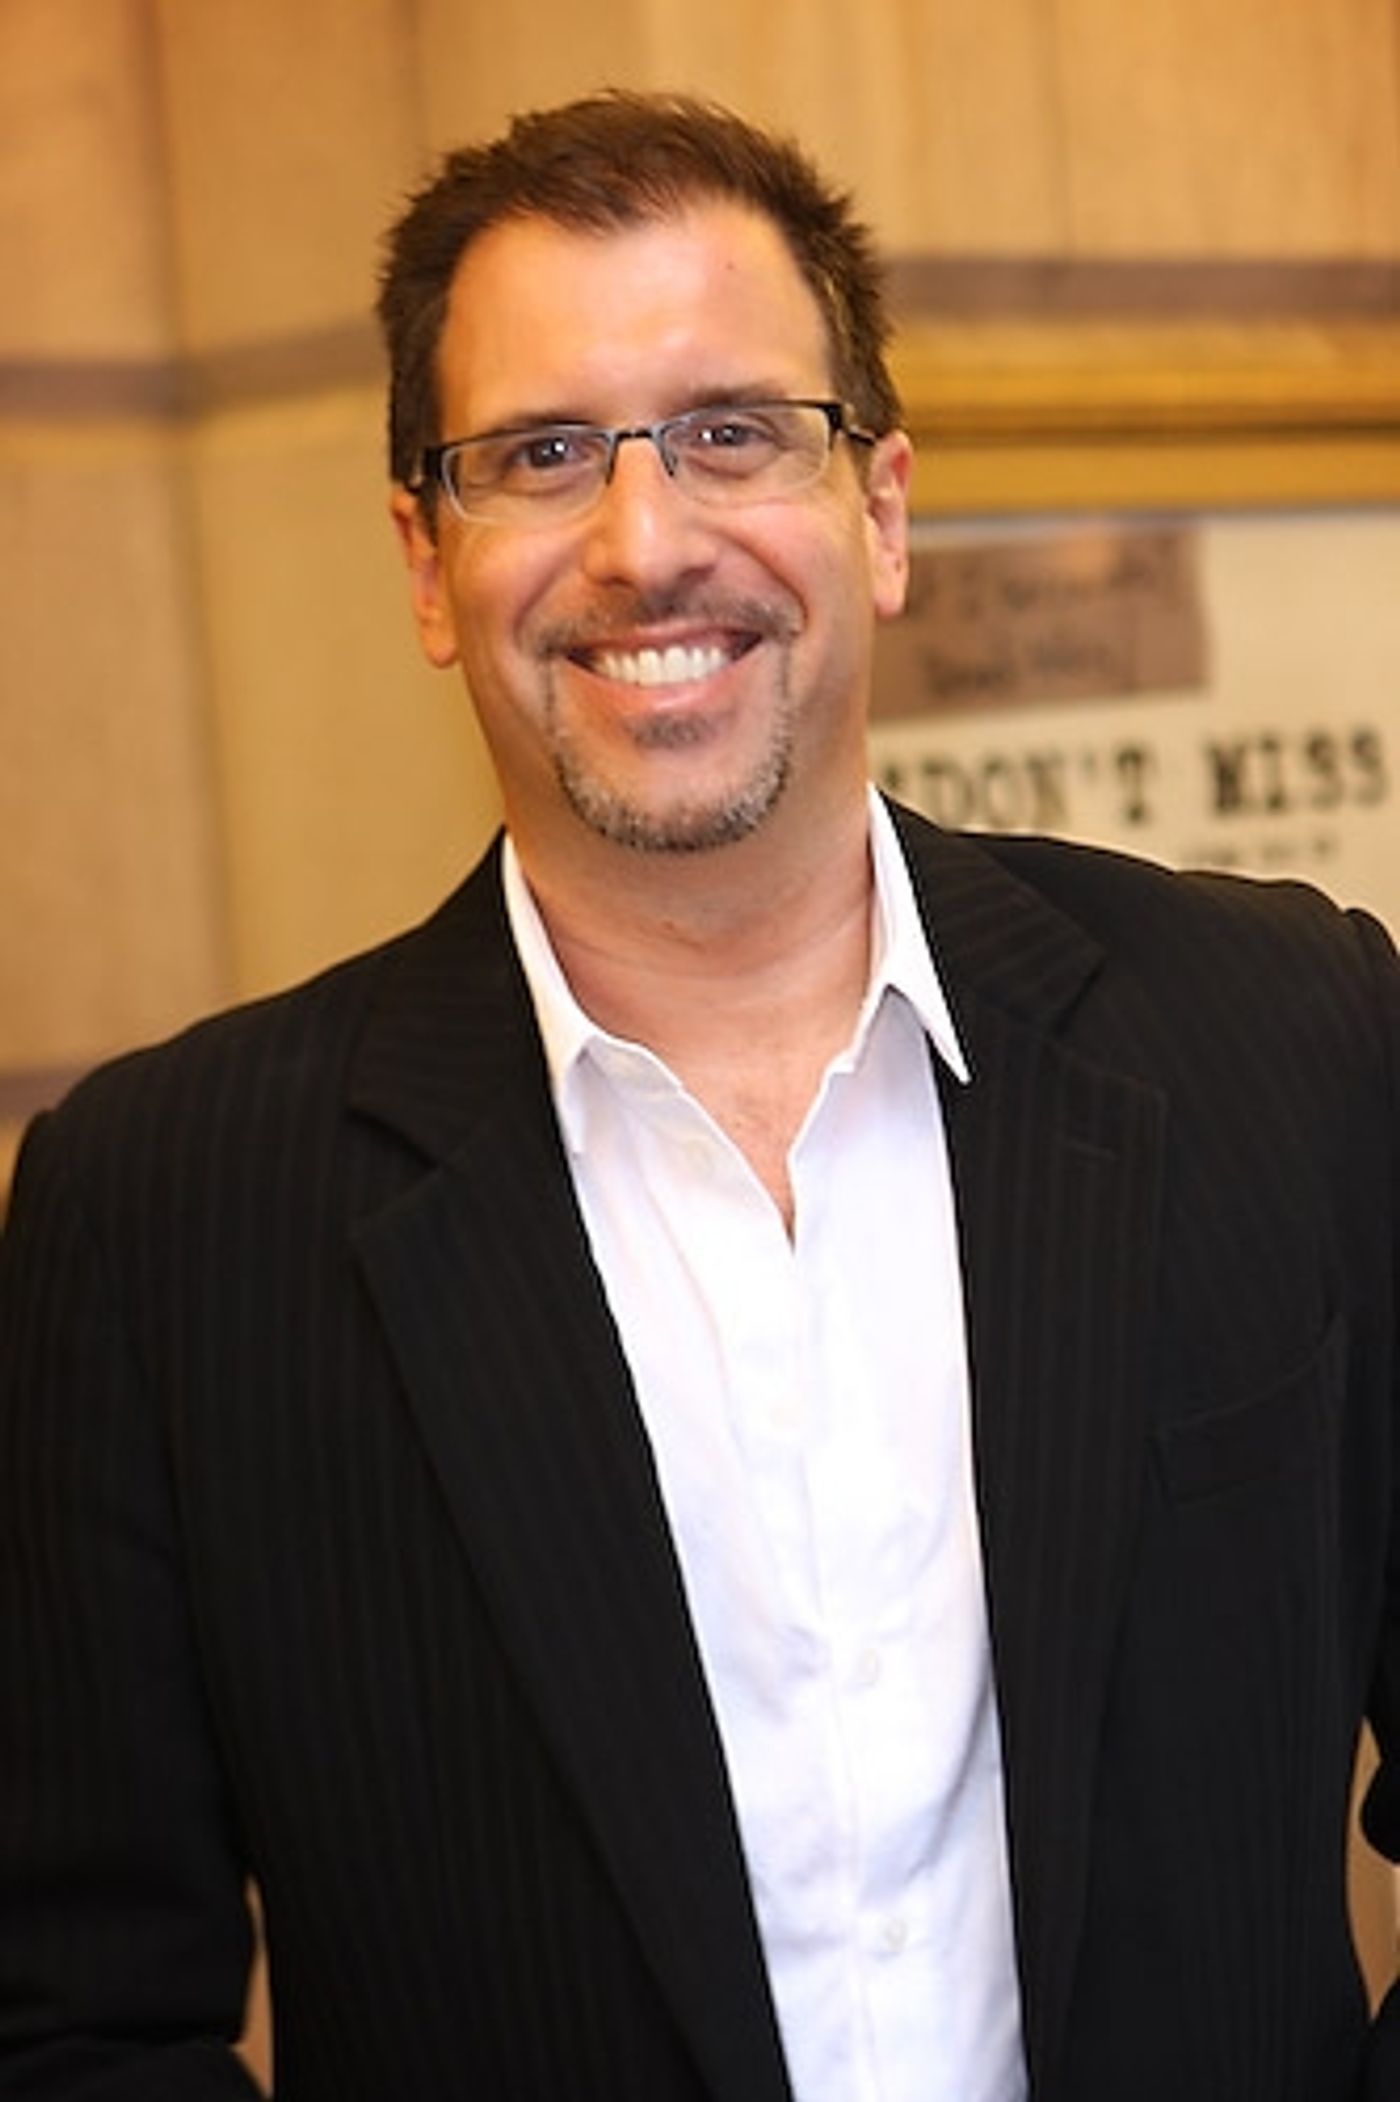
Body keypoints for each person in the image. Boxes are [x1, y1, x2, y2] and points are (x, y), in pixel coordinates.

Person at [0, 88, 1396, 2102]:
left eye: (734, 431)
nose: (645, 544)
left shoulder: (1289, 1037)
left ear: (882, 512)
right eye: (541, 454)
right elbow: (69, 2021)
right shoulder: (163, 1219)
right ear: (426, 561)